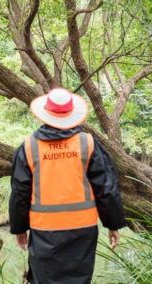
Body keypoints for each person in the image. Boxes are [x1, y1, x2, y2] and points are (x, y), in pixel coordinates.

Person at [9, 87, 127, 284]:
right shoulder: (87, 144)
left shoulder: (29, 147)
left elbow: (20, 192)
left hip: (44, 230)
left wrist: (19, 228)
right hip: (82, 228)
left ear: (46, 114)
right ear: (71, 115)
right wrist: (113, 223)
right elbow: (106, 188)